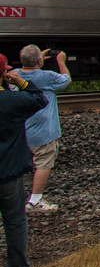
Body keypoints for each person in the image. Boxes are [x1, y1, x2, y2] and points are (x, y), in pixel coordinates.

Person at [1, 53, 49, 267]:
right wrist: (20, 81)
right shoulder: (13, 101)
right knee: (15, 222)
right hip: (9, 174)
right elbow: (39, 98)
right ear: (4, 73)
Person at [16, 45, 71, 213]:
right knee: (43, 164)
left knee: (17, 166)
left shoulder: (14, 75)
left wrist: (35, 59)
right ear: (39, 61)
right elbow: (65, 80)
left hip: (20, 131)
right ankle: (34, 201)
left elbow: (27, 69)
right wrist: (61, 61)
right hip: (43, 133)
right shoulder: (47, 77)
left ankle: (12, 200)